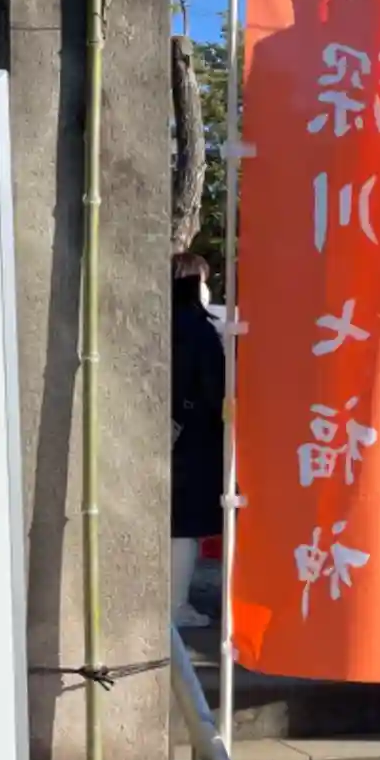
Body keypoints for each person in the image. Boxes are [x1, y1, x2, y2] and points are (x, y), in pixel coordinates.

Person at [169, 252, 227, 629]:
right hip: (193, 437)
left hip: (169, 431)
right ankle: (175, 606)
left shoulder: (162, 319)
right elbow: (214, 386)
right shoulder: (197, 327)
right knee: (185, 527)